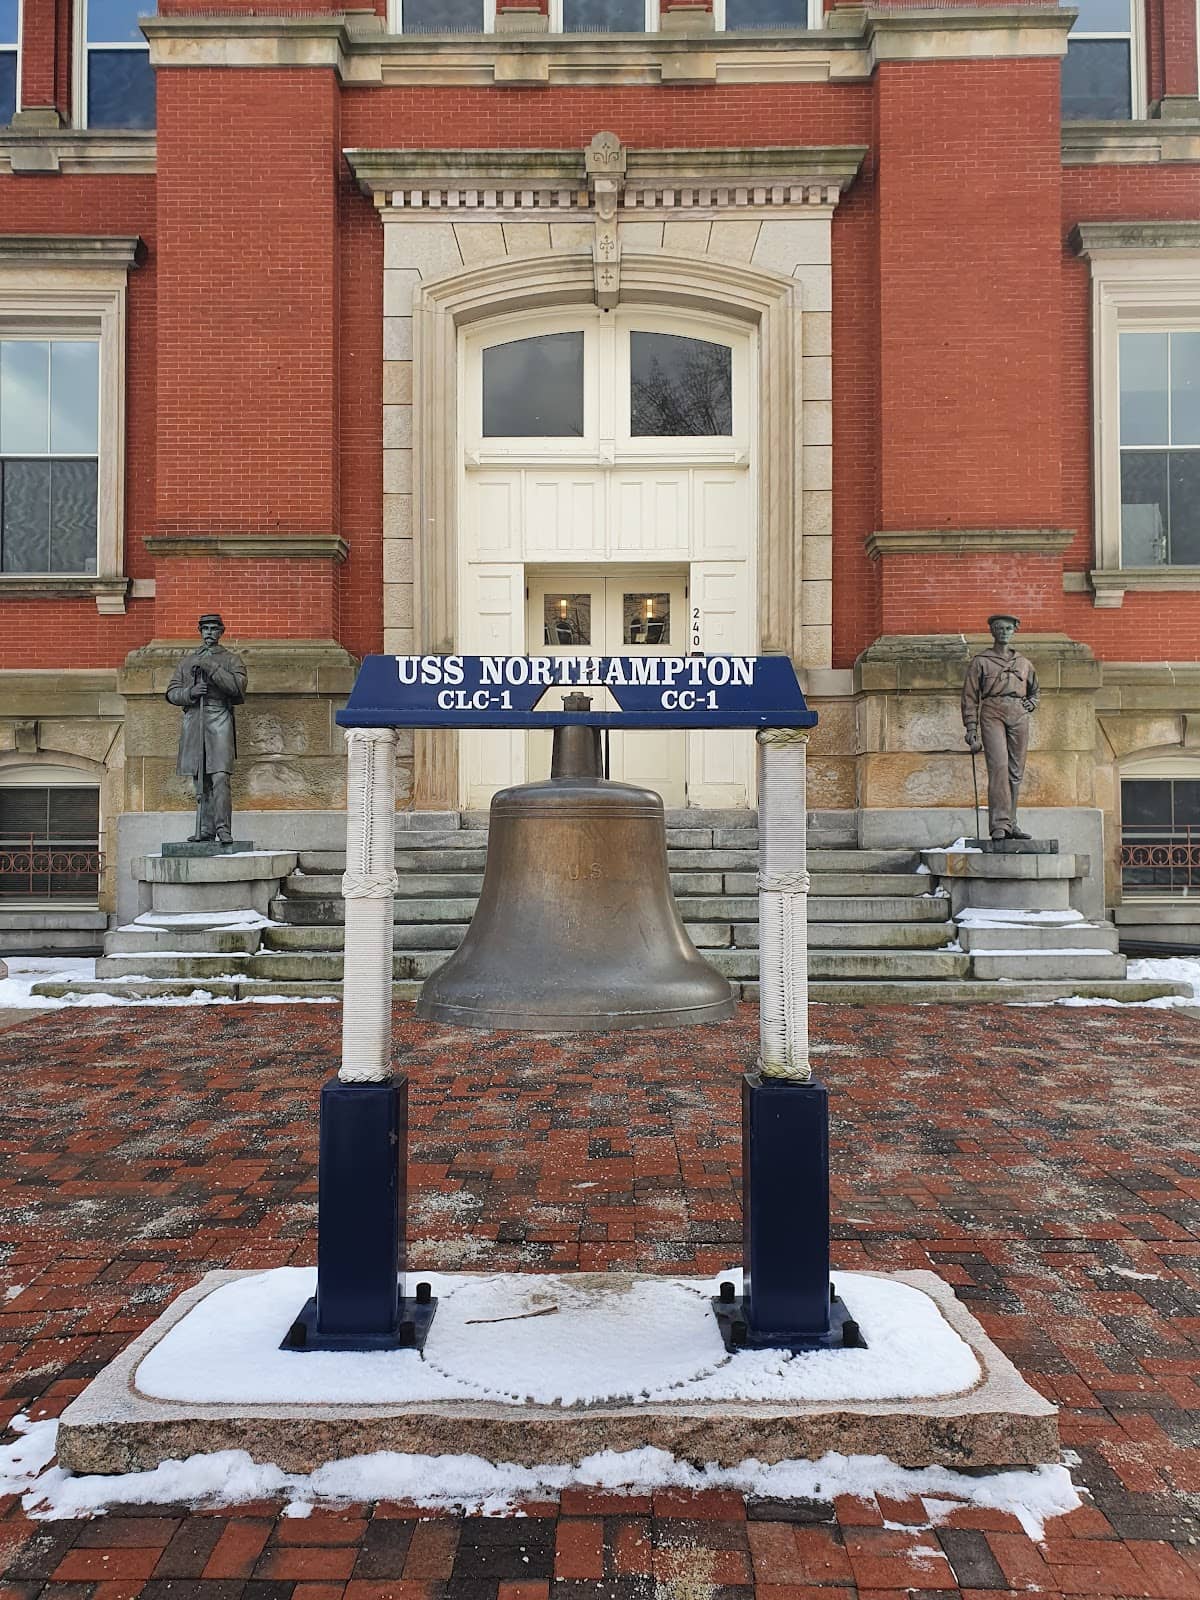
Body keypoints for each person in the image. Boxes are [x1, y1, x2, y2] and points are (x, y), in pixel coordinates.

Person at [166, 614, 247, 844]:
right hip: (194, 717)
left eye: (214, 628)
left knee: (220, 776)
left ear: (221, 632)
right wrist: (190, 693)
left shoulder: (232, 660)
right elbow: (172, 692)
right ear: (200, 632)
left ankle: (223, 828)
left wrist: (212, 668)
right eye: (205, 629)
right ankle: (204, 829)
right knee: (200, 778)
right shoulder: (186, 661)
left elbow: (237, 689)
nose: (209, 632)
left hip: (219, 716)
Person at [961, 613, 1039, 841]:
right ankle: (998, 824)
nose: (1004, 632)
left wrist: (1031, 702)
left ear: (1014, 631)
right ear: (992, 631)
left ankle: (1011, 823)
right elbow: (969, 697)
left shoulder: (1024, 663)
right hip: (992, 711)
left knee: (1016, 772)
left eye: (1008, 628)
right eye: (999, 628)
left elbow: (1035, 691)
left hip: (1018, 714)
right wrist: (971, 729)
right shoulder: (981, 662)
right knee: (999, 767)